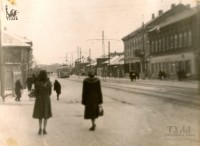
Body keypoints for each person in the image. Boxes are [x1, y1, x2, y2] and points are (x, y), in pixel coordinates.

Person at [33, 70, 52, 135]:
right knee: (46, 116)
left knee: (40, 116)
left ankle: (40, 129)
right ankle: (44, 129)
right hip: (46, 100)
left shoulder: (37, 83)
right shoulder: (49, 83)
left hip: (39, 100)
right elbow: (50, 93)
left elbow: (35, 93)